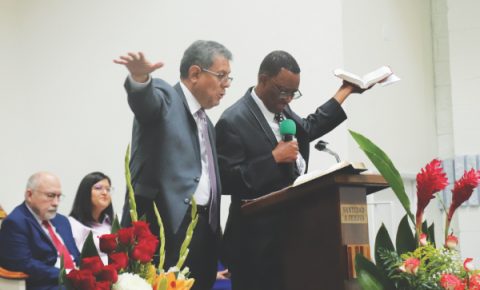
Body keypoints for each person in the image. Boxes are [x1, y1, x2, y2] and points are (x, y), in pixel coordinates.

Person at [215, 50, 370, 290]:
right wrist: (273, 159)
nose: (288, 99)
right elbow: (226, 181)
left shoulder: (282, 112)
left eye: (293, 93)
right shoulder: (233, 120)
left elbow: (309, 127)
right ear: (263, 80)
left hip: (290, 238)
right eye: (282, 91)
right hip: (254, 246)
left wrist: (345, 91)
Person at [114, 40, 233, 290]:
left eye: (229, 78)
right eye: (221, 76)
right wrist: (140, 77)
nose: (226, 85)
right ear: (195, 73)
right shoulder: (166, 97)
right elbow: (145, 101)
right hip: (164, 228)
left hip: (202, 233)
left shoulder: (207, 123)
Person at [0, 172, 80, 290]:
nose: (56, 203)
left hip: (76, 280)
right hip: (48, 284)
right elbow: (23, 264)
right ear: (30, 195)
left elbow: (75, 255)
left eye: (59, 196)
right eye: (50, 195)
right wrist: (67, 274)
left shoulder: (61, 220)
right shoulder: (15, 223)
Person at [68, 172, 114, 264]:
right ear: (85, 192)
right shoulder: (72, 224)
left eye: (108, 189)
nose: (105, 193)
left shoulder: (112, 222)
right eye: (98, 188)